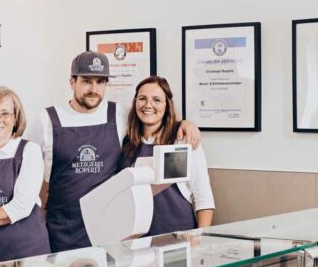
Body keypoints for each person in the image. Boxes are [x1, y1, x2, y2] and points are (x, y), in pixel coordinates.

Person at [34, 51, 201, 253]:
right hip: (63, 227)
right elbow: (35, 177)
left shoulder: (119, 114)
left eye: (100, 82)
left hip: (109, 227)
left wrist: (185, 124)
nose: (93, 89)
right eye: (86, 81)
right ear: (72, 82)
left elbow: (154, 116)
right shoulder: (47, 119)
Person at [119, 76, 215, 234]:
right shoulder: (126, 142)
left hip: (179, 237)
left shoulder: (182, 140)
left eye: (157, 100)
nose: (148, 105)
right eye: (142, 98)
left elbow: (203, 196)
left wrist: (199, 238)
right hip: (135, 237)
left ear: (167, 105)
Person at [0, 86, 50, 263]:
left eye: (5, 113)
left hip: (28, 251)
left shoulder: (29, 150)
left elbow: (20, 207)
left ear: (16, 119)